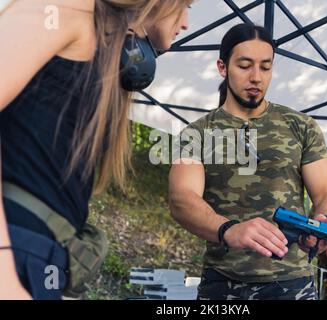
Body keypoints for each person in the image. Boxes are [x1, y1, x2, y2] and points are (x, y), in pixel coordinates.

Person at [0, 0, 192, 300]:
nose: (186, 23)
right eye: (186, 5)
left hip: (40, 259)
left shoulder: (101, 47)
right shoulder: (65, 8)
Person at [169, 23, 327, 300]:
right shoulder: (197, 133)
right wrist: (229, 230)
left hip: (293, 283)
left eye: (265, 67)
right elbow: (182, 199)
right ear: (222, 67)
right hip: (223, 284)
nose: (256, 77)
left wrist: (325, 221)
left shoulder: (300, 125)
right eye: (244, 65)